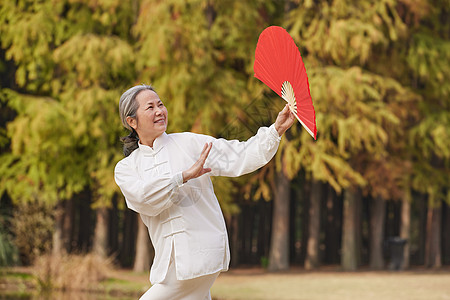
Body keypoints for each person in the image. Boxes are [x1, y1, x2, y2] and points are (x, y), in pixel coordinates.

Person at [114, 84, 295, 300]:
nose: (159, 111)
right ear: (131, 121)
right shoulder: (126, 169)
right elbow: (143, 199)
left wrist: (276, 130)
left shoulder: (189, 143)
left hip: (200, 253)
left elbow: (239, 156)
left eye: (160, 104)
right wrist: (183, 176)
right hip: (168, 264)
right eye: (150, 107)